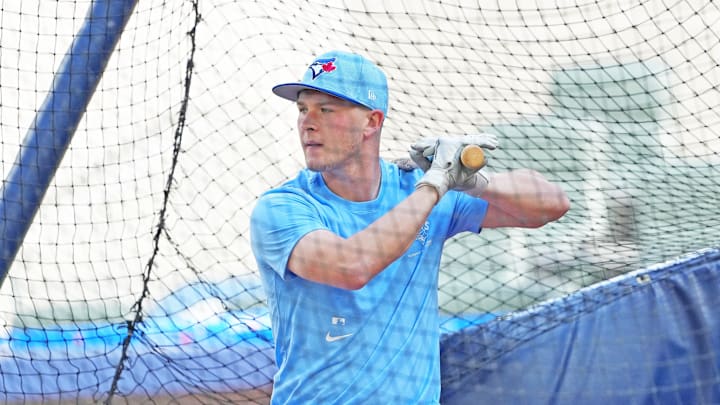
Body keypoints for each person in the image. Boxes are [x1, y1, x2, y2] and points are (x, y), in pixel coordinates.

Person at [250, 50, 570, 404]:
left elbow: (552, 205)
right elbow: (351, 266)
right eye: (302, 109)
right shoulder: (282, 206)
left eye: (326, 110)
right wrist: (434, 185)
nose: (307, 123)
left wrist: (471, 181)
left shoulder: (415, 189)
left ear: (372, 122)